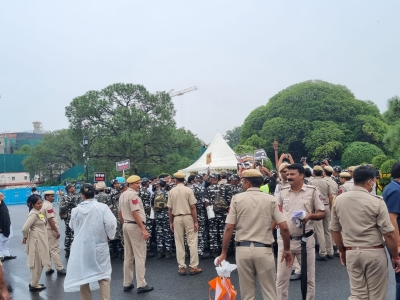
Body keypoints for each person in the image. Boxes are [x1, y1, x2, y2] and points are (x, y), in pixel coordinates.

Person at [216, 169, 293, 300]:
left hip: (243, 249)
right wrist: (287, 249)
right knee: (270, 293)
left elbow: (229, 228)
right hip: (264, 249)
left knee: (247, 294)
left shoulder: (236, 199)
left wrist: (223, 252)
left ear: (247, 183)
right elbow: (284, 228)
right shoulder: (271, 199)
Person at [331, 165, 400, 299]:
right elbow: (389, 233)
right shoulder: (376, 201)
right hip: (373, 251)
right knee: (376, 295)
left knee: (357, 294)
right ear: (369, 181)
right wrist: (396, 255)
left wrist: (342, 250)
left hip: (351, 251)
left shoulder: (339, 200)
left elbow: (334, 229)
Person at [276, 163, 326, 300]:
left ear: (302, 175)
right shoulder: (282, 191)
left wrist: (309, 216)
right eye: (287, 174)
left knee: (308, 277)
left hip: (306, 241)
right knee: (281, 278)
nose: (289, 176)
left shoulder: (312, 191)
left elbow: (322, 213)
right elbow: (276, 212)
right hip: (285, 241)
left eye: (292, 174)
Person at [64, 184, 117, 300]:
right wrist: (109, 236)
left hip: (81, 247)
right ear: (95, 193)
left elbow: (72, 226)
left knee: (84, 275)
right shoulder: (102, 207)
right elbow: (112, 223)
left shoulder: (75, 211)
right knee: (103, 275)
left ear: (82, 195)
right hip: (99, 245)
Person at [118, 175, 154, 294]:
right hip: (135, 225)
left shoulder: (123, 195)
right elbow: (135, 213)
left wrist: (125, 224)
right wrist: (143, 229)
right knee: (140, 255)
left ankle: (127, 283)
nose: (139, 185)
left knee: (128, 255)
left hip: (126, 225)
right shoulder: (133, 196)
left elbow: (120, 213)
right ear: (131, 184)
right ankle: (141, 284)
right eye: (137, 183)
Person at [168, 172, 202, 276]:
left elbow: (170, 209)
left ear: (175, 180)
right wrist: (196, 221)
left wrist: (171, 222)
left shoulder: (171, 191)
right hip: (188, 216)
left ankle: (182, 267)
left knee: (179, 242)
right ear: (184, 179)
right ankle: (193, 266)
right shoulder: (189, 190)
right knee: (192, 241)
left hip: (177, 217)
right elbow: (193, 207)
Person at [21, 195, 50, 292]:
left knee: (40, 262)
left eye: (41, 202)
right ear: (33, 205)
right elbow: (25, 228)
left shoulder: (39, 212)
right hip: (36, 242)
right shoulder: (33, 214)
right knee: (36, 263)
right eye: (38, 203)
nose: (40, 204)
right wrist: (25, 237)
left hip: (41, 240)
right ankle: (33, 284)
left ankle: (35, 282)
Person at [383, 161, 400, 299]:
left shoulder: (393, 187)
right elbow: (392, 219)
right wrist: (398, 246)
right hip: (398, 240)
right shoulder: (396, 190)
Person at [309, 166, 333, 261]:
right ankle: (330, 251)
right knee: (327, 230)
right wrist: (331, 208)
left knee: (319, 231)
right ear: (322, 173)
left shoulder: (311, 183)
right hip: (327, 206)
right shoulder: (327, 182)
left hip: (317, 208)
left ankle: (323, 252)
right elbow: (330, 196)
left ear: (314, 173)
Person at [41, 191, 66, 276]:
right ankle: (59, 268)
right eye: (51, 196)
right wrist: (56, 230)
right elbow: (50, 219)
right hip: (50, 230)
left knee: (47, 249)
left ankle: (48, 268)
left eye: (53, 196)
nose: (53, 198)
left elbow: (42, 217)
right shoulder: (48, 206)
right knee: (54, 249)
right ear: (46, 197)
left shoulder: (42, 205)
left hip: (45, 229)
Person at [204, 173, 229, 258]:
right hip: (223, 213)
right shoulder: (224, 188)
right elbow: (228, 200)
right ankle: (224, 250)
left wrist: (208, 213)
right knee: (223, 231)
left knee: (213, 232)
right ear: (218, 179)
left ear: (211, 179)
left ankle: (214, 251)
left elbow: (206, 203)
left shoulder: (207, 189)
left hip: (212, 213)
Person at [152, 179, 173, 259]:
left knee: (159, 233)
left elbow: (152, 204)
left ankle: (160, 252)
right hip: (166, 215)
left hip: (157, 215)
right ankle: (168, 252)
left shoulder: (155, 193)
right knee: (167, 233)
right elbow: (170, 205)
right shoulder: (168, 193)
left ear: (159, 185)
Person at [59, 184, 81, 258]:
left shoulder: (75, 196)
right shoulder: (67, 197)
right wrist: (70, 204)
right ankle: (69, 250)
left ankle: (69, 250)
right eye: (72, 187)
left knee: (70, 233)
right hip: (71, 217)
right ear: (69, 189)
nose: (74, 188)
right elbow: (61, 208)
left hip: (72, 217)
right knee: (71, 233)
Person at [0, 193, 16, 262]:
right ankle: (0, 256)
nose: (3, 196)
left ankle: (6, 254)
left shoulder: (2, 203)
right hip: (1, 226)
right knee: (0, 242)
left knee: (6, 240)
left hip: (7, 225)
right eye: (1, 195)